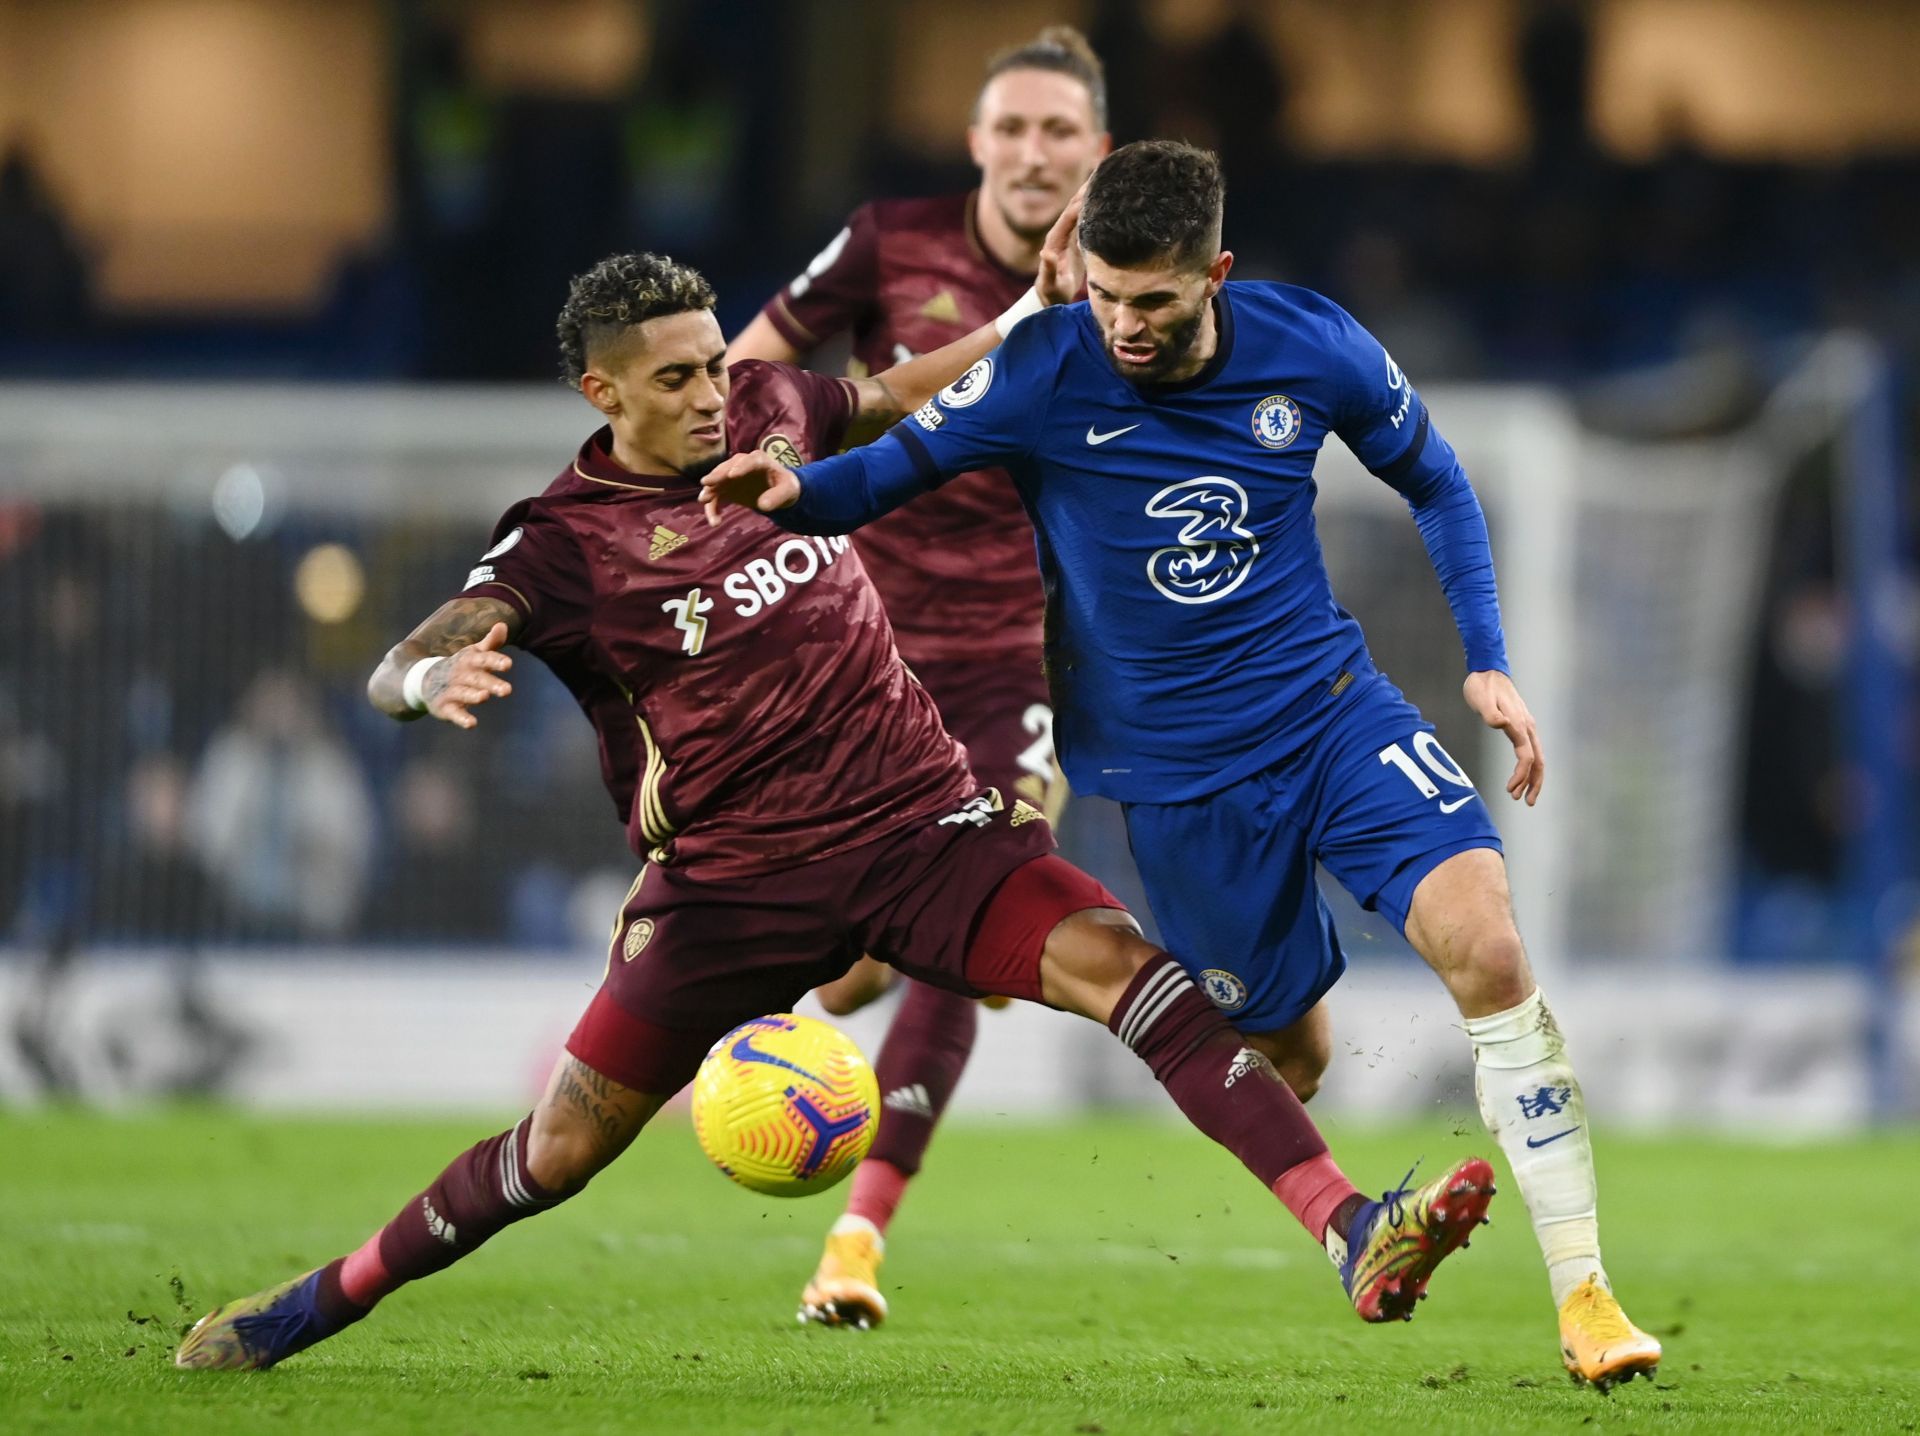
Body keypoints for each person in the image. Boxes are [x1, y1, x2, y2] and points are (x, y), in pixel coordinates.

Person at [174, 247, 1493, 1373]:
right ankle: (312, 1306)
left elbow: (896, 397)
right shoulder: (563, 543)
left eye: (715, 363)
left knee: (1135, 981)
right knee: (561, 1151)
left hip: (924, 831)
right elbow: (412, 649)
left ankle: (1349, 1228)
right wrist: (423, 680)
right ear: (603, 392)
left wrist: (1025, 325)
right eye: (678, 377)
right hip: (730, 892)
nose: (713, 392)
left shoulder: (768, 408)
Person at [701, 140, 1661, 1393]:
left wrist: (1485, 657)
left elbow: (1434, 476)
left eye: (1153, 299)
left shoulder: (1310, 342)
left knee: (1486, 944)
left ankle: (1586, 1293)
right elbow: (878, 476)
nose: (1124, 323)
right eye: (1103, 293)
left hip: (1331, 717)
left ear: (1216, 273)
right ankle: (1351, 1213)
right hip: (1178, 787)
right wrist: (788, 492)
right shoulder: (1040, 368)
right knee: (1291, 1058)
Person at [725, 24, 1111, 1330]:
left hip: (1018, 661)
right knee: (856, 975)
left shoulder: (1136, 289)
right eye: (1012, 128)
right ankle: (768, 1052)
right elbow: (740, 369)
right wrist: (820, 424)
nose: (1033, 152)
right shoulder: (890, 241)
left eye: (1060, 130)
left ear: (1098, 152)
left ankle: (855, 1240)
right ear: (975, 144)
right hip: (858, 651)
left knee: (972, 937)